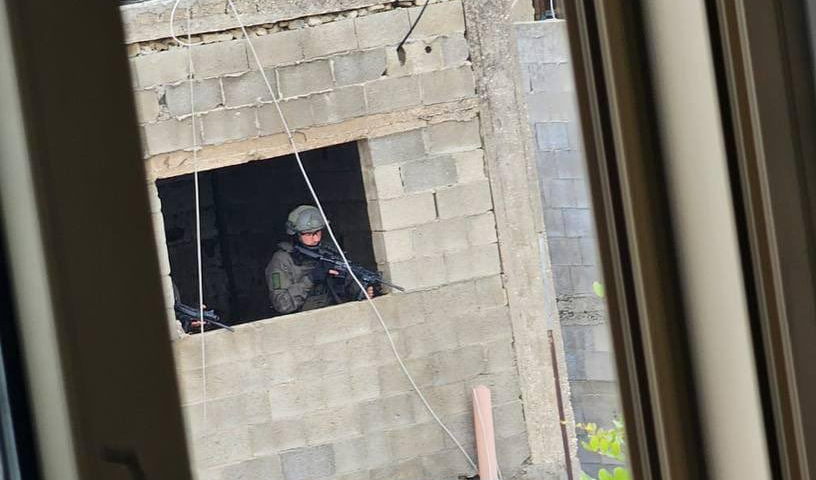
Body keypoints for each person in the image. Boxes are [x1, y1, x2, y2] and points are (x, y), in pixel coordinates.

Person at [265, 205, 374, 314]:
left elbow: (348, 282)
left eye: (318, 232)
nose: (316, 239)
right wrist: (311, 278)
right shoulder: (282, 260)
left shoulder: (327, 251)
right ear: (295, 234)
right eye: (308, 234)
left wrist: (361, 290)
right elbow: (282, 305)